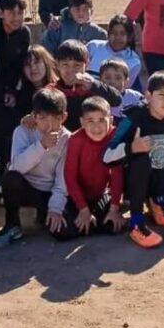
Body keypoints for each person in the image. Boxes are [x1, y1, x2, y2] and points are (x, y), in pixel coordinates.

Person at [102, 71, 164, 248]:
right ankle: (136, 223)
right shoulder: (133, 117)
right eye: (161, 95)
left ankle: (157, 205)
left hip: (155, 176)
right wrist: (132, 148)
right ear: (148, 95)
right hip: (127, 181)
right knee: (142, 159)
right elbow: (106, 156)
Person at [0, 87, 71, 248]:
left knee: (64, 232)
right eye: (43, 117)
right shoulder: (23, 131)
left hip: (48, 192)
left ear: (63, 117)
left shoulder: (67, 139)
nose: (49, 124)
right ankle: (12, 225)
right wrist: (41, 145)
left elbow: (62, 178)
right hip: (26, 186)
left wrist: (55, 208)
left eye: (55, 118)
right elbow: (17, 166)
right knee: (10, 178)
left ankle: (43, 215)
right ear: (34, 116)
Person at [52, 97, 126, 240]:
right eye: (90, 121)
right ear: (82, 122)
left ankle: (96, 221)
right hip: (77, 196)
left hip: (101, 194)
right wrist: (83, 209)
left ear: (111, 120)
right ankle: (88, 220)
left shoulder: (115, 137)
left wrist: (114, 208)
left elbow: (116, 174)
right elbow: (70, 176)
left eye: (102, 120)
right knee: (62, 231)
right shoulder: (76, 139)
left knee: (112, 226)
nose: (96, 127)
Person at [0, 0, 32, 173]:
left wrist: (13, 91)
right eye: (12, 13)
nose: (16, 18)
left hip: (9, 89)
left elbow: (19, 66)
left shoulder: (23, 33)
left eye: (20, 13)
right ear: (1, 12)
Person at [49, 39, 122, 132]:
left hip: (94, 135)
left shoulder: (93, 87)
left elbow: (117, 100)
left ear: (87, 64)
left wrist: (93, 85)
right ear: (57, 65)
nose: (71, 70)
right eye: (65, 65)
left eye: (77, 65)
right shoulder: (52, 90)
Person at [86, 14, 141, 89]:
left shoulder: (134, 61)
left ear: (129, 37)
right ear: (108, 34)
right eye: (114, 33)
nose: (117, 37)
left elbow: (125, 88)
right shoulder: (93, 47)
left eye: (122, 34)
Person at [42, 0, 107, 53]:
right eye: (77, 8)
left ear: (91, 12)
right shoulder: (57, 27)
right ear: (69, 10)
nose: (80, 12)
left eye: (85, 9)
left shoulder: (99, 34)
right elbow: (46, 51)